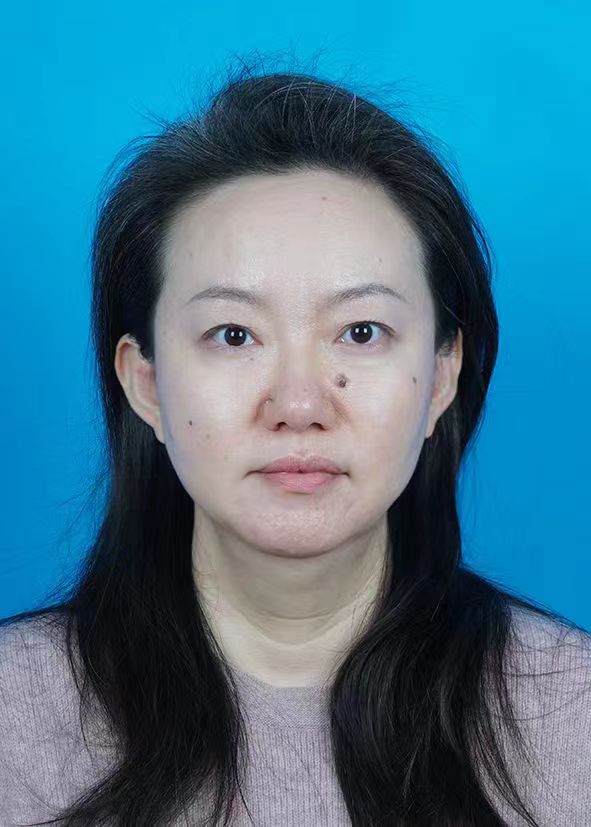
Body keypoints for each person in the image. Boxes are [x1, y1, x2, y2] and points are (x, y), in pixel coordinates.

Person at [1, 60, 590, 827]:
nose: (299, 405)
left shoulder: (571, 713)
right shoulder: (14, 717)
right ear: (145, 383)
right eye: (233, 334)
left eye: (361, 331)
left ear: (441, 375)